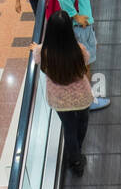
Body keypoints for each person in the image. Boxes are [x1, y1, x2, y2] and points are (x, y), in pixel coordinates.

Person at [44, 0, 109, 110]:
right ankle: (88, 101)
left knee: (82, 62)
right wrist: (76, 16)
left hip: (77, 26)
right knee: (85, 63)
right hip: (79, 27)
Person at [35, 11, 95, 176]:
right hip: (81, 96)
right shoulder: (79, 50)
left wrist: (36, 47)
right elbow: (85, 66)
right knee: (82, 122)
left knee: (68, 127)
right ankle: (77, 150)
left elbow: (39, 60)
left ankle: (75, 159)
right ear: (69, 31)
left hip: (59, 99)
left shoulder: (43, 52)